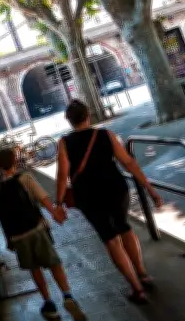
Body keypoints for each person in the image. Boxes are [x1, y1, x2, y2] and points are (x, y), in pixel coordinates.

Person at [56, 100, 164, 304]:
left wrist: (59, 203)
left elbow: (62, 175)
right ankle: (142, 273)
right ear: (88, 115)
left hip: (88, 195)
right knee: (124, 227)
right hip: (116, 188)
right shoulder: (105, 134)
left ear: (69, 121)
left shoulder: (64, 143)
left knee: (110, 239)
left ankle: (137, 288)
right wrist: (150, 190)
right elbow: (128, 162)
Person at [0, 148, 86, 321]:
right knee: (53, 263)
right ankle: (67, 296)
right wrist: (55, 213)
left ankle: (48, 303)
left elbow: (2, 219)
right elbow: (43, 198)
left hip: (18, 237)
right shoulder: (25, 178)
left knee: (34, 269)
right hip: (36, 229)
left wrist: (8, 240)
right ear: (14, 161)